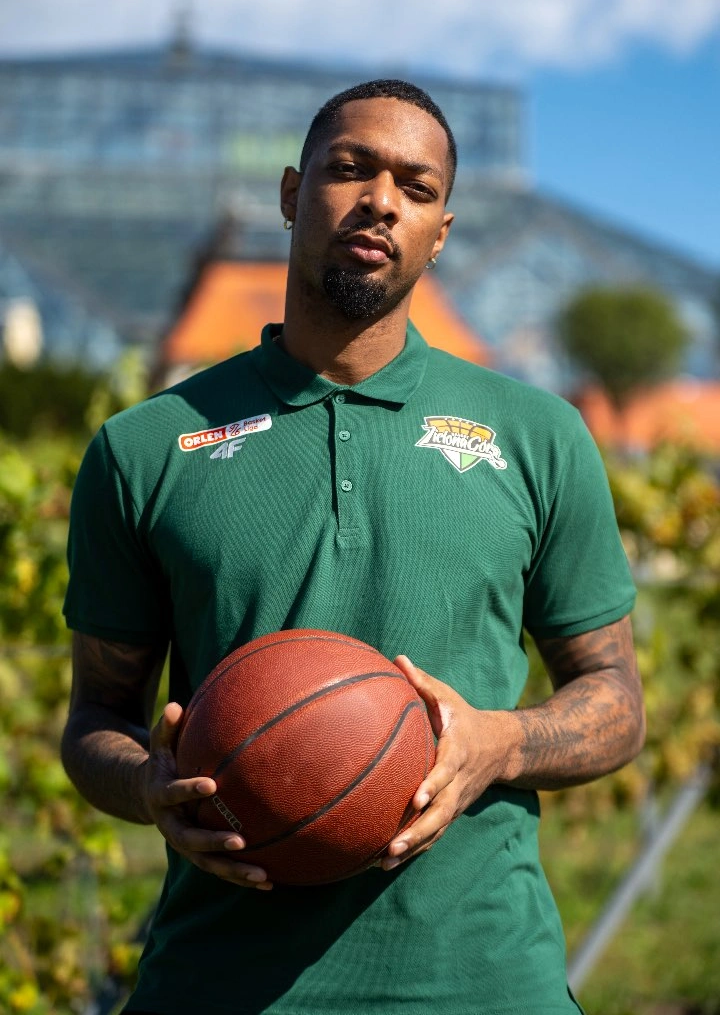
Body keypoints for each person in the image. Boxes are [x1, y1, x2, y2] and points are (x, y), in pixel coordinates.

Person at [62, 79, 645, 1015]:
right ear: (293, 194)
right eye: (350, 169)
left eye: (416, 188)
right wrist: (149, 784)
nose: (380, 201)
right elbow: (96, 715)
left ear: (440, 233)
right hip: (220, 984)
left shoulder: (538, 435)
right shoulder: (147, 447)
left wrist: (499, 742)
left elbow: (615, 700)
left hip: (485, 982)